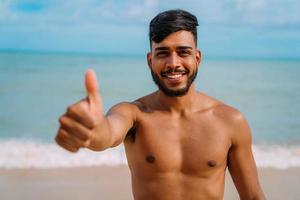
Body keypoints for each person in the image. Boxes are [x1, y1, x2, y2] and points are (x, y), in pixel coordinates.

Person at [55, 9, 265, 200]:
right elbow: (107, 133)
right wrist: (90, 130)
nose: (173, 63)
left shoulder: (230, 121)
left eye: (183, 52)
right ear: (150, 60)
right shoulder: (134, 114)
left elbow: (253, 196)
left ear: (197, 58)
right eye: (163, 53)